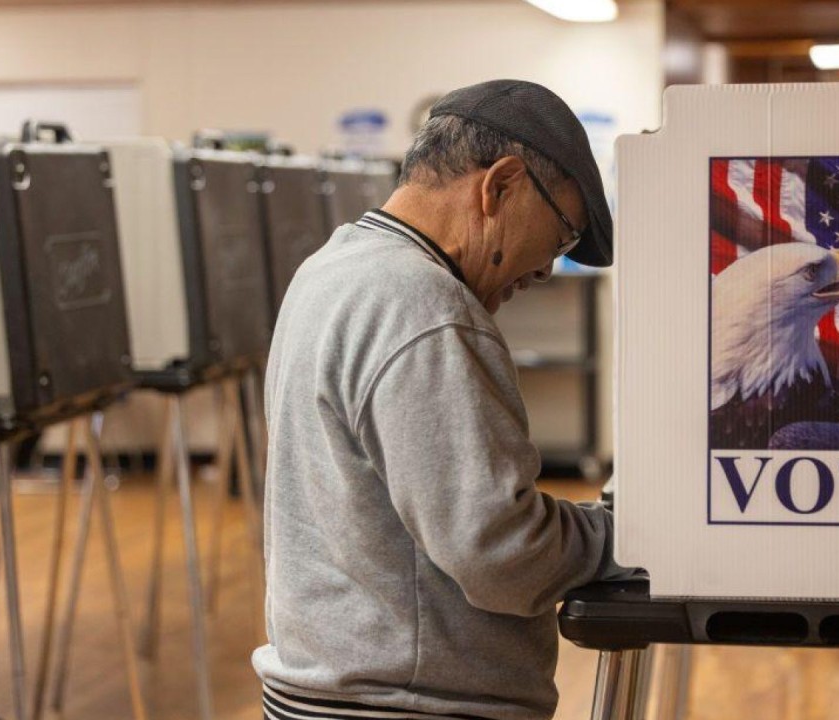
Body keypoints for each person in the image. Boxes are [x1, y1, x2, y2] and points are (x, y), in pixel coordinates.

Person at [255, 80, 625, 720]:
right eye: (562, 233)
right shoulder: (424, 306)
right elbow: (502, 557)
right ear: (500, 186)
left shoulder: (330, 268)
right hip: (407, 705)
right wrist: (624, 535)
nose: (544, 271)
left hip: (331, 693)